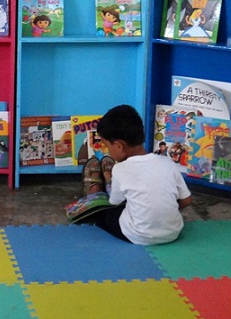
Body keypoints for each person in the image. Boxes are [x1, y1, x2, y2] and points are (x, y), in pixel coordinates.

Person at [81, 105, 192, 245]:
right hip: (173, 233)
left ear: (119, 146)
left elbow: (115, 202)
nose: (108, 151)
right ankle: (108, 178)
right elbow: (186, 200)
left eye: (108, 147)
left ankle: (95, 189)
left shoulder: (120, 169)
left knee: (101, 213)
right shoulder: (167, 163)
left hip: (137, 236)